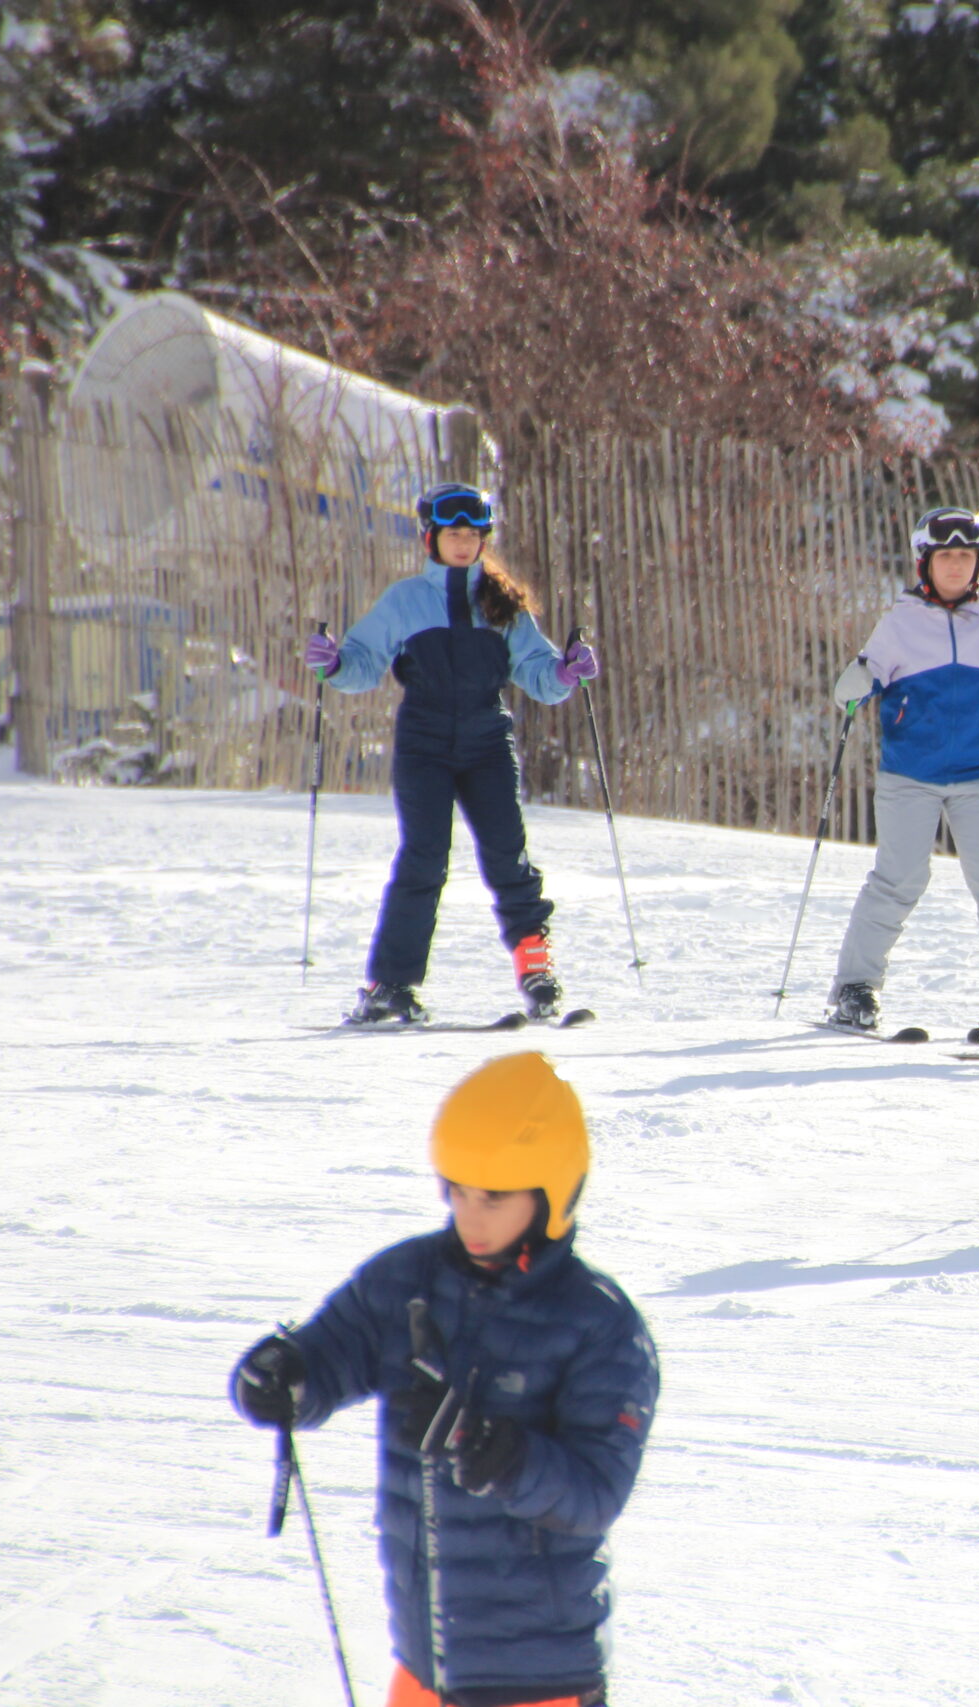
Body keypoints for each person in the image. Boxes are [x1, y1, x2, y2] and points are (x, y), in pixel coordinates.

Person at [228, 1052, 659, 1707]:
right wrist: (287, 1374)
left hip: (537, 1676)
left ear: (552, 1194)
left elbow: (596, 1491)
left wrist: (501, 1453)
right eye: (457, 1189)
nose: (470, 1214)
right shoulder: (407, 1280)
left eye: (493, 1196)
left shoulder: (598, 1324)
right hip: (424, 1667)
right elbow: (334, 1350)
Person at [306, 483, 599, 1026]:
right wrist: (335, 665)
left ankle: (537, 974)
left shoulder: (502, 604)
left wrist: (566, 672)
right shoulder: (404, 601)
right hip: (425, 743)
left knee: (508, 856)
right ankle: (388, 986)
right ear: (430, 539)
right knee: (424, 860)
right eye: (453, 535)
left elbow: (539, 671)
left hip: (488, 742)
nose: (464, 545)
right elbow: (364, 660)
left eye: (473, 535)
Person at [824, 505, 979, 1036]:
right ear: (924, 562)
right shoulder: (899, 624)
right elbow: (864, 681)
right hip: (909, 775)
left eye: (966, 556)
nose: (956, 566)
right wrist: (856, 687)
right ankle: (855, 988)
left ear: (978, 563)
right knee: (897, 880)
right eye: (946, 556)